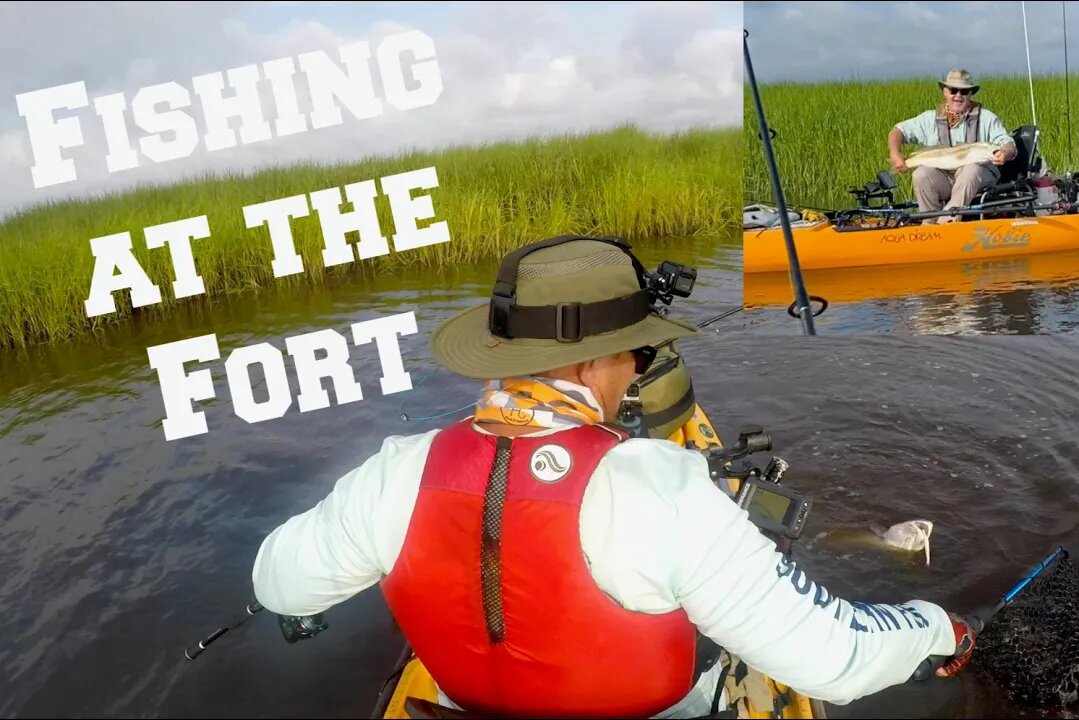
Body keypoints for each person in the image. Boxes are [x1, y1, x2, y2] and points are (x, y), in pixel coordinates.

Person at [251, 235, 982, 718]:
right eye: (634, 351)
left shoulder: (394, 473)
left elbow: (276, 583)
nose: (638, 367)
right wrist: (934, 628)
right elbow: (839, 660)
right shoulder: (656, 487)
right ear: (594, 362)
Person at [888, 68, 1017, 224]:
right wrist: (895, 154)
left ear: (971, 94)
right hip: (945, 178)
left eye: (964, 92)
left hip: (979, 179)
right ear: (945, 92)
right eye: (953, 90)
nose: (958, 96)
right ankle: (928, 224)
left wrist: (1005, 153)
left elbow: (1008, 144)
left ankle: (946, 223)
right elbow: (898, 130)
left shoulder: (987, 118)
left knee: (971, 169)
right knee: (921, 174)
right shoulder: (929, 119)